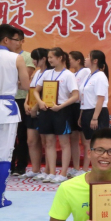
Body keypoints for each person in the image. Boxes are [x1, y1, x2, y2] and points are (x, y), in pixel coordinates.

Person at [0, 24, 31, 208]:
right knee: (4, 155)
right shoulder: (16, 58)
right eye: (16, 40)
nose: (18, 44)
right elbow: (26, 85)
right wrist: (12, 82)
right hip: (6, 108)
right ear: (6, 39)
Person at [33, 47, 78, 184]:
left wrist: (61, 106)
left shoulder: (68, 75)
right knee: (49, 142)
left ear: (60, 58)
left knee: (64, 143)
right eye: (48, 57)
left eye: (51, 57)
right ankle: (52, 172)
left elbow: (75, 95)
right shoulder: (47, 73)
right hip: (46, 111)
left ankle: (63, 173)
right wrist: (40, 102)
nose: (49, 60)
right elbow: (36, 91)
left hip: (61, 111)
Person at [0, 27, 35, 177]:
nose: (14, 43)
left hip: (21, 99)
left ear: (21, 41)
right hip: (5, 99)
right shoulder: (3, 56)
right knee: (6, 136)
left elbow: (24, 79)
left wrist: (7, 79)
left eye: (17, 40)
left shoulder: (26, 56)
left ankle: (21, 165)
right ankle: (7, 164)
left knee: (21, 134)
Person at [79, 50, 110, 173]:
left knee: (98, 143)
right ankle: (86, 169)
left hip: (97, 113)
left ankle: (100, 169)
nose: (85, 59)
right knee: (88, 143)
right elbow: (84, 98)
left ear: (95, 61)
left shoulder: (100, 76)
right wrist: (81, 115)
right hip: (86, 111)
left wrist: (95, 117)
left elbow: (100, 99)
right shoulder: (89, 75)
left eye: (88, 56)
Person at [24, 48, 49, 180]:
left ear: (44, 59)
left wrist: (35, 107)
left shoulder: (50, 73)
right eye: (32, 59)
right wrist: (26, 103)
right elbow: (31, 90)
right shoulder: (36, 72)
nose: (33, 61)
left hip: (43, 110)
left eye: (35, 59)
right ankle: (35, 169)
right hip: (31, 110)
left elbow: (47, 94)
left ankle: (48, 170)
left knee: (46, 142)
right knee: (31, 141)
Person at [67, 51, 90, 178]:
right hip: (72, 106)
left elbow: (84, 91)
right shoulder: (72, 74)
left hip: (82, 106)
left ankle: (85, 168)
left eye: (70, 59)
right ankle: (76, 167)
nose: (68, 61)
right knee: (74, 138)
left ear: (78, 60)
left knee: (85, 140)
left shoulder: (85, 71)